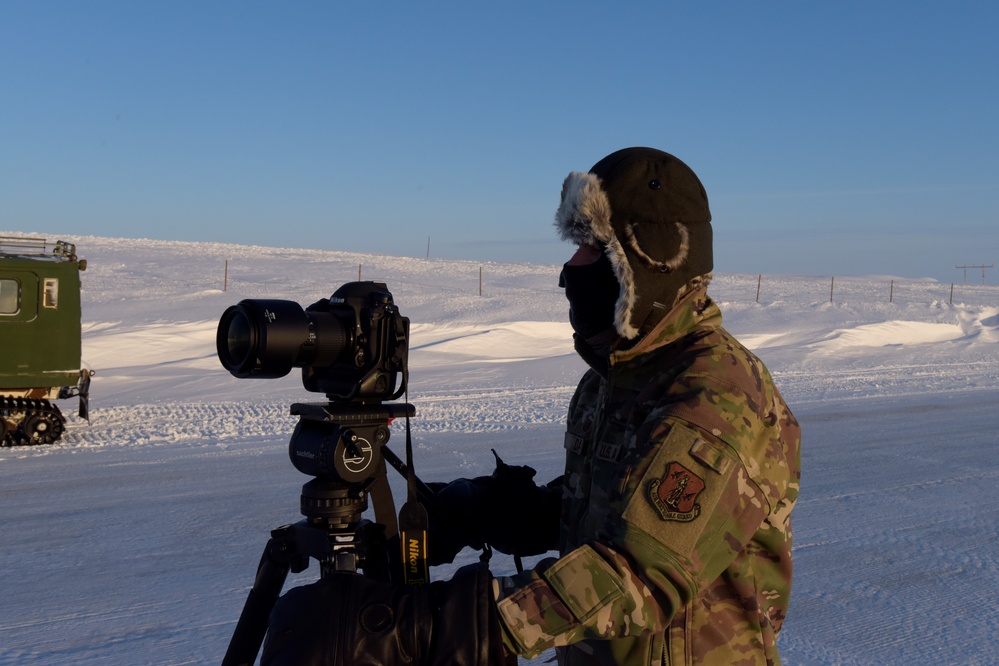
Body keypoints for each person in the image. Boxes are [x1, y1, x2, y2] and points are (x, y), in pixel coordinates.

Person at [260, 147, 801, 666]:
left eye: (593, 247)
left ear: (646, 263)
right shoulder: (618, 376)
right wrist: (488, 511)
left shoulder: (715, 394)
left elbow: (637, 573)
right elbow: (608, 512)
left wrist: (436, 627)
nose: (572, 266)